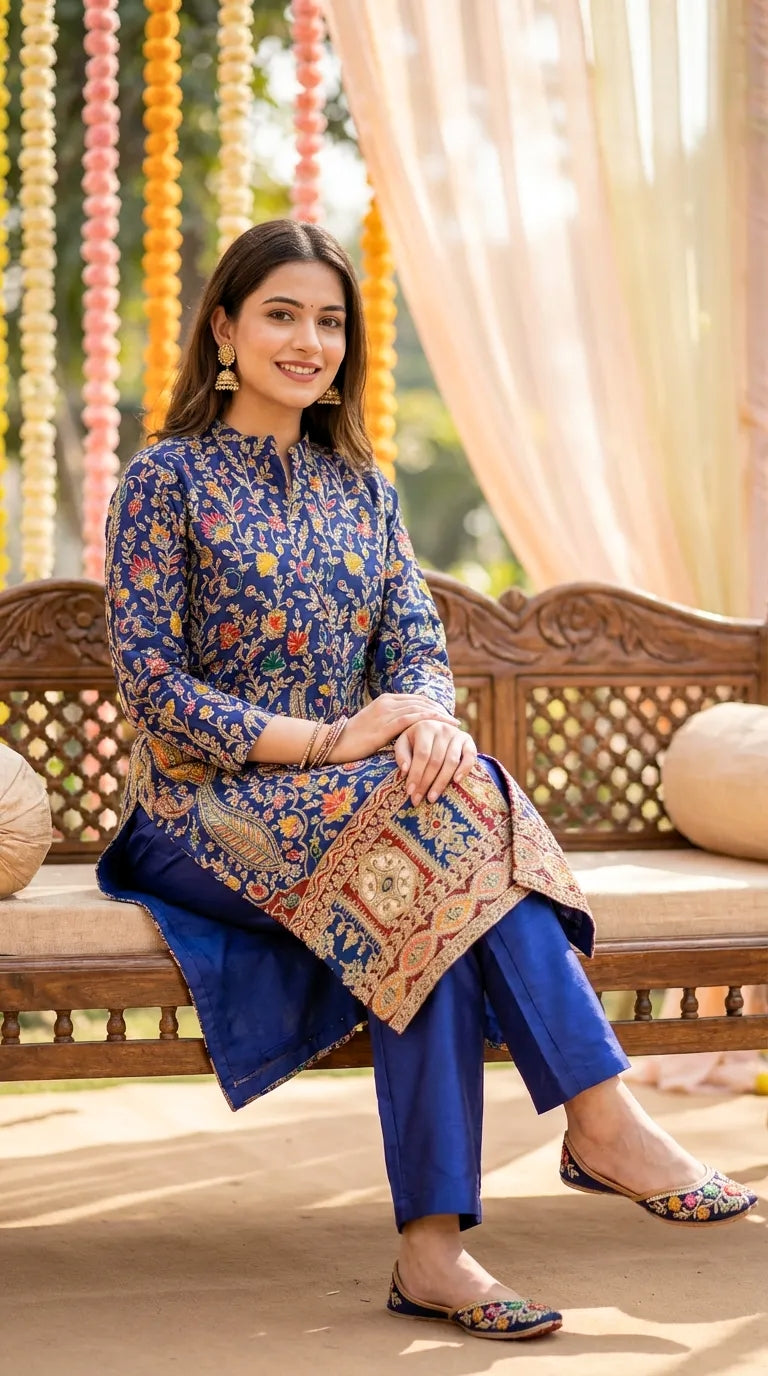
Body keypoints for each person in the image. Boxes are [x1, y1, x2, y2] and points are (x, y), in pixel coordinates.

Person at [98, 219, 756, 1344]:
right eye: (282, 313)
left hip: (361, 806)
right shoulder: (166, 478)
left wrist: (430, 723)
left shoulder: (364, 491)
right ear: (224, 325)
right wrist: (329, 740)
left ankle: (434, 1249)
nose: (310, 341)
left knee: (433, 867)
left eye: (330, 321)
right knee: (433, 854)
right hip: (202, 807)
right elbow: (152, 681)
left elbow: (415, 648)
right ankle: (594, 1122)